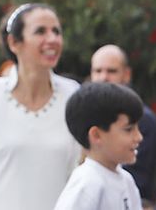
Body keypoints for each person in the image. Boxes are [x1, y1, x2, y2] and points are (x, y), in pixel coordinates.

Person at [0, 2, 81, 210]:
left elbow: (80, 177)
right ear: (14, 42)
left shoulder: (73, 96)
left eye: (56, 31)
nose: (53, 39)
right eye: (41, 31)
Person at [52, 82, 144, 210]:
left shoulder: (127, 181)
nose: (139, 137)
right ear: (96, 135)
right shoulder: (87, 184)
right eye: (128, 129)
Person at [91, 44, 156, 203]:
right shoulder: (86, 117)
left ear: (127, 74)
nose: (103, 77)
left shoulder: (144, 121)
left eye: (111, 71)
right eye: (98, 71)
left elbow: (139, 181)